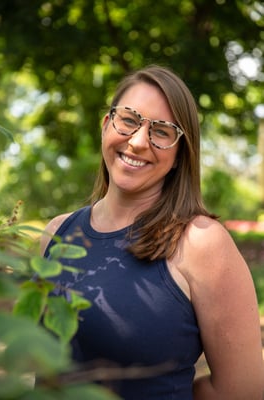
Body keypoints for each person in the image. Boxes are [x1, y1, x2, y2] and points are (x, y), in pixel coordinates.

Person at [40, 65, 264, 400]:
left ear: (178, 155)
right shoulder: (56, 234)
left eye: (162, 131)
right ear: (106, 126)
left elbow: (244, 390)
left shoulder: (201, 243)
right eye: (129, 120)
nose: (139, 141)